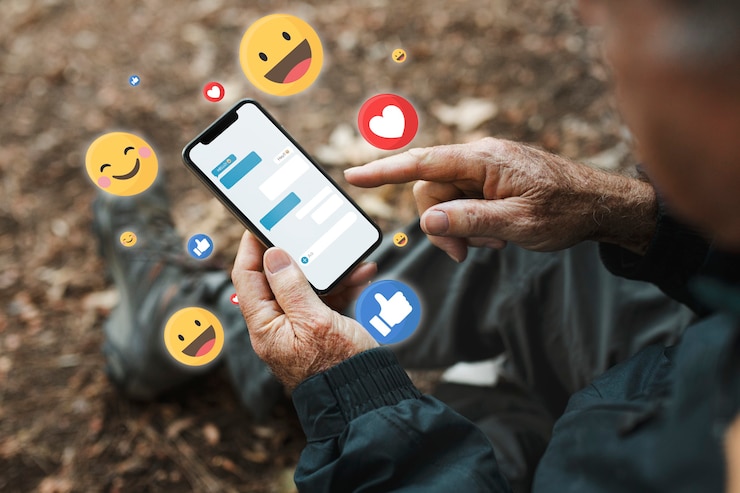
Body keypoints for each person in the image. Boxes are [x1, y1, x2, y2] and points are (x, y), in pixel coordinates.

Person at [227, 0, 740, 491]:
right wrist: (623, 212)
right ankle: (494, 392)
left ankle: (488, 399)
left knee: (483, 429)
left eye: (621, 27)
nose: (592, 18)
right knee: (517, 248)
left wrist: (349, 394)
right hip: (671, 362)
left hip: (610, 429)